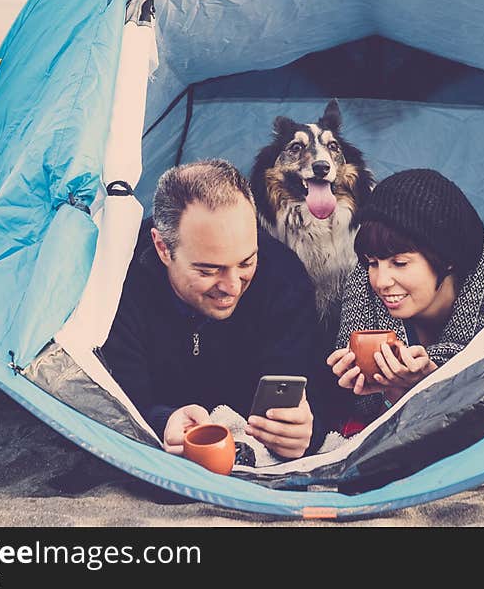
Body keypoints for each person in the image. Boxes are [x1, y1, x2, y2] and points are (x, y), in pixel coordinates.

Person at [102, 159, 335, 459]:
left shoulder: (284, 276)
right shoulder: (117, 280)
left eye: (246, 263)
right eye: (209, 270)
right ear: (163, 249)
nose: (232, 286)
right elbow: (112, 401)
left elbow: (313, 388)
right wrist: (162, 421)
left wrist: (306, 430)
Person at [326, 168, 484, 430]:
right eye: (373, 263)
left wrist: (437, 382)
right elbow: (362, 408)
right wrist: (389, 390)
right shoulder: (362, 283)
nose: (381, 281)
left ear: (446, 259)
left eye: (400, 263)